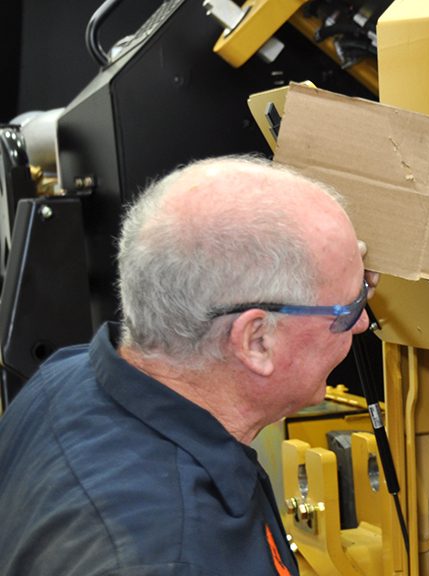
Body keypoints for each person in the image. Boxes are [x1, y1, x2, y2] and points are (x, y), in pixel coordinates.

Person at [0, 156, 375, 575]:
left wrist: (340, 270)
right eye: (350, 308)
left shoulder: (63, 381)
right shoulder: (180, 556)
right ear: (257, 341)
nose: (361, 322)